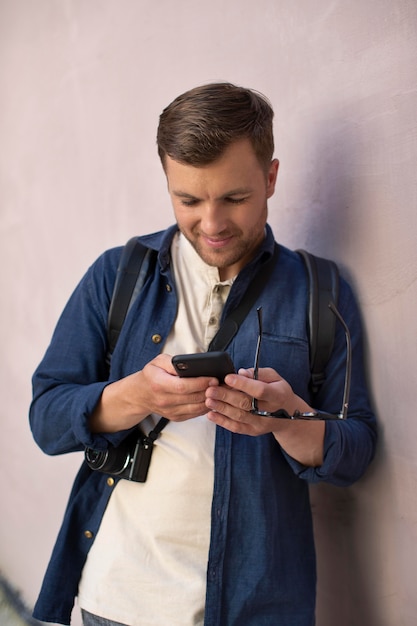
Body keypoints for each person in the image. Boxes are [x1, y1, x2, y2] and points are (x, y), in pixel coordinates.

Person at [30, 82, 377, 626]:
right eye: (188, 199)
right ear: (167, 181)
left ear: (270, 178)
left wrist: (287, 421)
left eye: (234, 198)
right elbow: (47, 419)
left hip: (261, 609)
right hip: (119, 601)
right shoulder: (116, 276)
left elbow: (356, 448)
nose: (212, 224)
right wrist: (137, 394)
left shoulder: (321, 291)